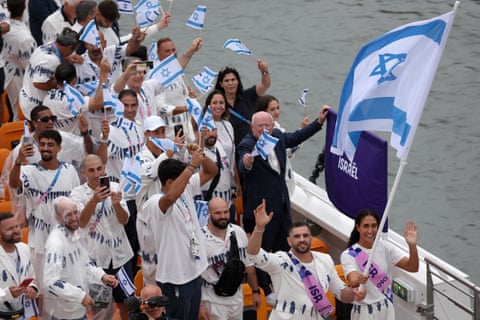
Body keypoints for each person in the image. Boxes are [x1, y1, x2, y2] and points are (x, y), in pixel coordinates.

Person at [238, 107, 329, 301]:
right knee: (262, 248)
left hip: (282, 205)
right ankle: (265, 288)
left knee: (284, 246)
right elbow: (243, 165)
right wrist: (247, 162)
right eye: (259, 126)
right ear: (252, 127)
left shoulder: (277, 136)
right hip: (262, 210)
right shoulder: (247, 144)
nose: (264, 129)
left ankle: (287, 280)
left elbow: (296, 137)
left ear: (272, 126)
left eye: (267, 125)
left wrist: (319, 122)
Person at [247, 200, 362, 319]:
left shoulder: (325, 260)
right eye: (297, 236)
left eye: (305, 235)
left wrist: (355, 293)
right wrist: (259, 228)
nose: (302, 239)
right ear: (289, 241)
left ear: (311, 239)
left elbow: (341, 292)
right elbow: (253, 255)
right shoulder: (281, 260)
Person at [8, 129, 81, 315]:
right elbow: (15, 184)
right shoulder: (28, 171)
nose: (45, 148)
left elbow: (76, 203)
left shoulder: (69, 171)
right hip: (40, 242)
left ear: (59, 147)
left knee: (67, 290)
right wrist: (18, 162)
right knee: (39, 291)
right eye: (42, 144)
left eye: (50, 144)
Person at [141, 148, 218, 320]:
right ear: (169, 182)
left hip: (194, 272)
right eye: (184, 177)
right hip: (175, 278)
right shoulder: (154, 203)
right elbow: (169, 198)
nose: (188, 180)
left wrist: (201, 156)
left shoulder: (185, 187)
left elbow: (212, 171)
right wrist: (191, 167)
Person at [69, 154, 133, 320]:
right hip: (96, 261)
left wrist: (117, 203)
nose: (97, 174)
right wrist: (93, 201)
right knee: (100, 309)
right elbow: (81, 223)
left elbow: (124, 220)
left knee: (129, 303)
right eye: (91, 170)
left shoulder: (115, 187)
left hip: (121, 257)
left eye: (99, 169)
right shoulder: (76, 194)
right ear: (84, 173)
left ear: (104, 168)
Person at [43, 196, 118, 320]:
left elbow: (85, 263)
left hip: (78, 309)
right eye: (68, 215)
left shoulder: (74, 234)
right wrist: (80, 296)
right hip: (62, 314)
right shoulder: (55, 244)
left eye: (75, 212)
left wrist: (101, 276)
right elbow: (50, 282)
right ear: (57, 218)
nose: (74, 218)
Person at [340, 210, 419, 320]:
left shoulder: (385, 247)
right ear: (358, 228)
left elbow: (413, 267)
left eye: (374, 226)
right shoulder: (348, 255)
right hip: (365, 312)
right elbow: (352, 279)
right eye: (366, 226)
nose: (370, 230)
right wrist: (360, 279)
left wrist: (412, 245)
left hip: (387, 308)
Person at [136, 115, 183, 285]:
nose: (161, 136)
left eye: (163, 132)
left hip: (168, 216)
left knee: (170, 260)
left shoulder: (167, 155)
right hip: (147, 220)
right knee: (151, 267)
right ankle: (151, 301)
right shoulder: (139, 157)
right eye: (156, 132)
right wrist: (169, 152)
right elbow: (151, 173)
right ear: (147, 134)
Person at [198, 197, 260, 320]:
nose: (223, 216)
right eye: (218, 213)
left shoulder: (238, 232)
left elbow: (249, 266)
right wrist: (200, 306)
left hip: (236, 297)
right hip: (212, 299)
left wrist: (255, 291)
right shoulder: (198, 238)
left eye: (226, 212)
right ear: (208, 213)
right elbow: (193, 275)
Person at [255, 94, 310, 195]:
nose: (276, 112)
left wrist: (302, 131)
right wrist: (303, 132)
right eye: (272, 109)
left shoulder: (277, 128)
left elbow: (289, 151)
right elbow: (288, 150)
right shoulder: (267, 133)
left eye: (277, 108)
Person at [19, 27, 80, 120]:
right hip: (35, 107)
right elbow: (38, 83)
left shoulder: (46, 46)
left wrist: (67, 59)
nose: (71, 53)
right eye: (72, 51)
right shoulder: (51, 60)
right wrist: (59, 85)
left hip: (26, 96)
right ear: (69, 47)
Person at [153, 36, 202, 143]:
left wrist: (190, 99)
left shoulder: (178, 74)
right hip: (170, 135)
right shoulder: (155, 76)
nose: (172, 53)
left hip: (186, 132)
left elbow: (183, 99)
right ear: (158, 53)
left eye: (173, 50)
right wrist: (184, 108)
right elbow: (160, 108)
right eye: (167, 51)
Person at [214, 61, 270, 148]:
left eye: (233, 80)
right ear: (221, 84)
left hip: (251, 145)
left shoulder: (247, 96)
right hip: (230, 149)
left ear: (238, 81)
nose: (230, 83)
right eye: (226, 81)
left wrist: (264, 71)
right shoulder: (218, 103)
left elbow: (265, 85)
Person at [2, 0, 37, 121]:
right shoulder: (24, 38)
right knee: (21, 116)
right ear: (25, 6)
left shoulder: (4, 28)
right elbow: (30, 67)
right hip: (19, 81)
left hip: (9, 76)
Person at [0, 212, 39, 319]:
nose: (16, 230)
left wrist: (33, 288)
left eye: (17, 226)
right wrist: (8, 293)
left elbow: (33, 277)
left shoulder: (24, 248)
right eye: (10, 229)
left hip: (24, 313)